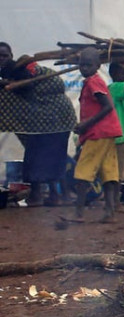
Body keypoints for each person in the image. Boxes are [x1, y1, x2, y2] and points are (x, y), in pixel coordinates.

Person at [0, 41, 76, 206]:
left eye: (4, 55)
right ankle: (55, 195)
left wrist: (5, 84)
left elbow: (26, 86)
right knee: (47, 156)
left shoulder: (18, 69)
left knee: (41, 157)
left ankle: (46, 195)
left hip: (53, 119)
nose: (1, 59)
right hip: (45, 122)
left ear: (11, 56)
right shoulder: (9, 71)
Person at [72, 47, 122, 223]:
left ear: (98, 65)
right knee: (108, 172)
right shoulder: (94, 81)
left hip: (98, 133)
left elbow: (108, 106)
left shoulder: (94, 82)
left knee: (83, 171)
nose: (84, 68)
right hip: (108, 132)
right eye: (82, 65)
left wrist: (86, 124)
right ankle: (110, 212)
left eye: (88, 65)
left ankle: (78, 213)